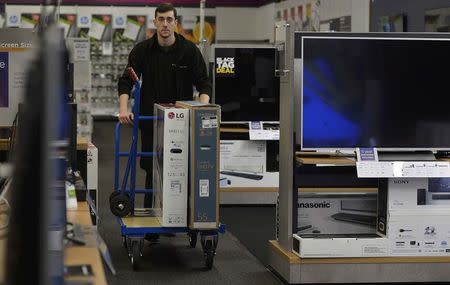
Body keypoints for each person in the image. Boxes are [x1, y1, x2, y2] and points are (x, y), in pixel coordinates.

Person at [118, 3, 211, 212]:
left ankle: (180, 214)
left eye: (169, 20)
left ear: (175, 23)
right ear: (155, 22)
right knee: (152, 168)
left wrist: (200, 111)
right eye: (161, 19)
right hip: (151, 122)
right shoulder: (142, 51)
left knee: (181, 167)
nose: (165, 24)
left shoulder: (189, 51)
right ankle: (152, 215)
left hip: (182, 123)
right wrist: (124, 108)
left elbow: (204, 83)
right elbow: (126, 81)